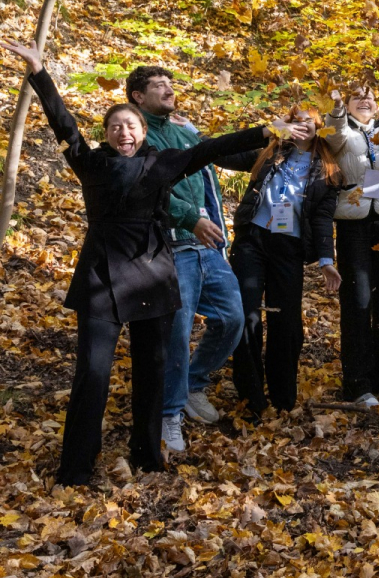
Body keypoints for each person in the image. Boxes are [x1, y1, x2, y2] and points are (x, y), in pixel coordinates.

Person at [1, 37, 277, 485]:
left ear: (142, 132)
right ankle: (76, 468)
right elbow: (63, 123)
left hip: (152, 278)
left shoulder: (162, 164)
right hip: (101, 281)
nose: (124, 133)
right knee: (92, 374)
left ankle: (148, 455)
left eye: (131, 127)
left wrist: (267, 131)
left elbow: (208, 150)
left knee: (152, 371)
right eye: (115, 127)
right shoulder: (90, 164)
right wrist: (38, 71)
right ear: (107, 135)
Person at [126, 65, 250, 453]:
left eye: (170, 84)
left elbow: (212, 170)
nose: (168, 90)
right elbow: (149, 185)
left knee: (232, 319)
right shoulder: (135, 133)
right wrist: (190, 219)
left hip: (207, 244)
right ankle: (170, 412)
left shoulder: (183, 131)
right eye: (158, 86)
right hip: (170, 245)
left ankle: (193, 383)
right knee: (177, 332)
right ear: (137, 96)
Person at [229, 106, 343, 415]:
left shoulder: (327, 169)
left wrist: (326, 260)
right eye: (295, 121)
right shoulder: (270, 153)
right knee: (246, 314)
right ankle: (250, 396)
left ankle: (282, 397)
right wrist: (192, 136)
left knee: (286, 322)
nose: (302, 126)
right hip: (251, 239)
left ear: (321, 128)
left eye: (310, 121)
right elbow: (223, 153)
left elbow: (322, 218)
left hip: (288, 247)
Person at [324, 87, 379, 407]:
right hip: (354, 223)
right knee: (358, 301)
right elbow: (332, 136)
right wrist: (335, 109)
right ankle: (357, 384)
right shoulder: (342, 131)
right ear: (348, 105)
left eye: (370, 97)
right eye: (357, 97)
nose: (365, 101)